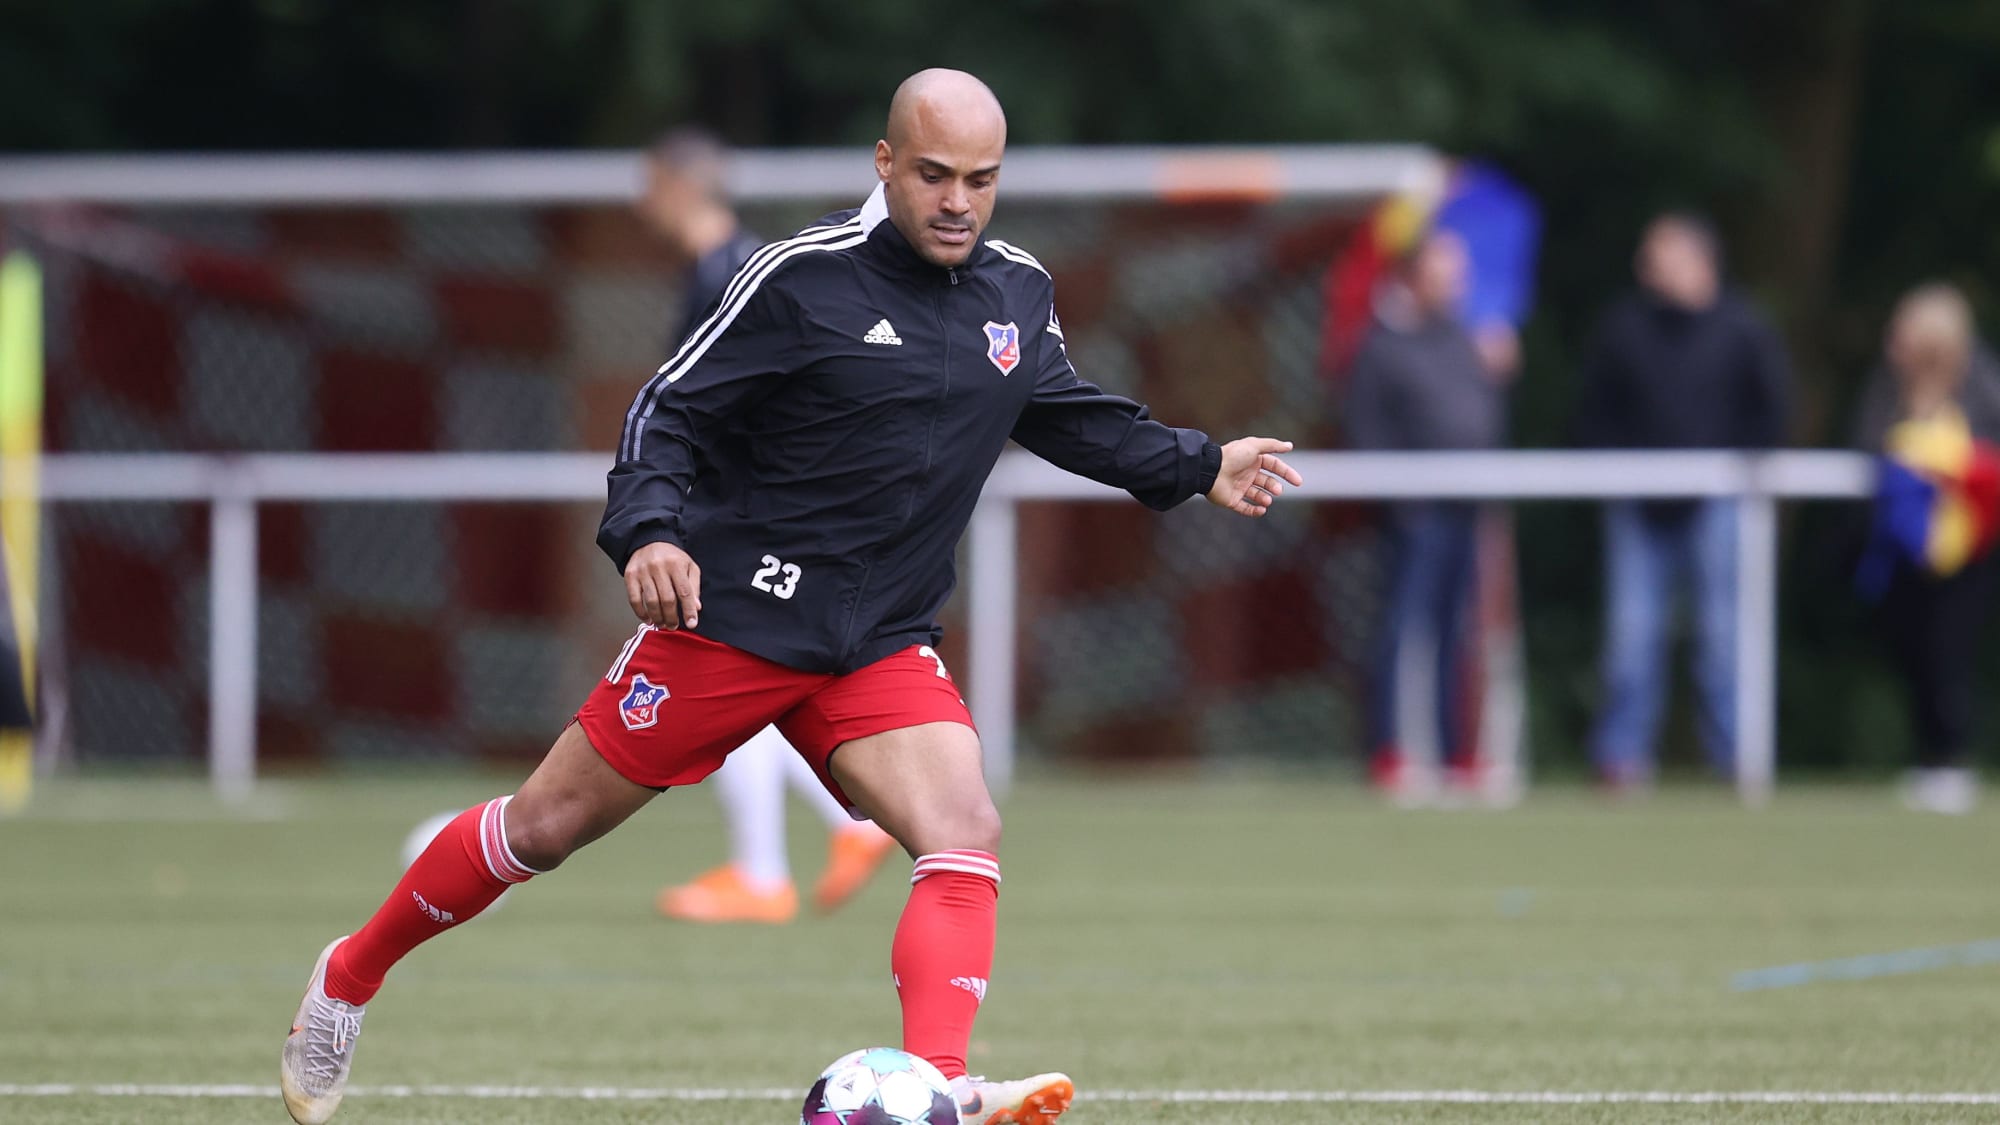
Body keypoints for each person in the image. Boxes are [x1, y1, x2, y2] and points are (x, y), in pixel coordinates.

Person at [279, 68, 1303, 1125]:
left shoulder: (1015, 291)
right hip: (738, 624)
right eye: (936, 176)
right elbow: (664, 413)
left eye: (982, 180)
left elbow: (1066, 412)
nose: (958, 201)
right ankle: (347, 979)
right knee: (538, 830)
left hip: (877, 640)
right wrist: (650, 534)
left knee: (963, 828)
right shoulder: (795, 279)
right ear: (886, 165)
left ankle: (938, 1088)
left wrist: (1196, 464)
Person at [637, 126, 897, 922]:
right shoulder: (729, 266)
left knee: (729, 665)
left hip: (747, 520)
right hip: (755, 514)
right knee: (756, 678)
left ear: (678, 186)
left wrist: (683, 512)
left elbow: (730, 405)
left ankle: (761, 871)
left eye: (648, 184)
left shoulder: (732, 273)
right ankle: (831, 831)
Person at [1574, 212, 1790, 790]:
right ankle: (1621, 763)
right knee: (1630, 639)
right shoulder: (1624, 328)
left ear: (1700, 259)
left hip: (1717, 506)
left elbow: (1771, 410)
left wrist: (1732, 468)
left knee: (1725, 641)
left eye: (1661, 255)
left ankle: (1739, 764)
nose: (1649, 268)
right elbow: (1593, 413)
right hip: (1638, 508)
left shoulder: (1743, 326)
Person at [1343, 229, 1509, 798]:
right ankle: (1388, 753)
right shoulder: (1379, 346)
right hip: (1412, 515)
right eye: (1444, 274)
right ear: (1414, 277)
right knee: (1398, 631)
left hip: (1466, 507)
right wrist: (1401, 501)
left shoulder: (1464, 339)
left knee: (1457, 637)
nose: (1456, 286)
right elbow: (1364, 431)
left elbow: (1479, 417)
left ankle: (1457, 755)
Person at [1851, 283, 2000, 814]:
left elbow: (1987, 456)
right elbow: (1871, 446)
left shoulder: (1980, 379)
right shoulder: (1890, 387)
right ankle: (1928, 758)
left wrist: (1949, 468)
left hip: (1968, 546)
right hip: (1904, 547)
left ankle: (1952, 759)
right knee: (1912, 650)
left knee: (1951, 653)